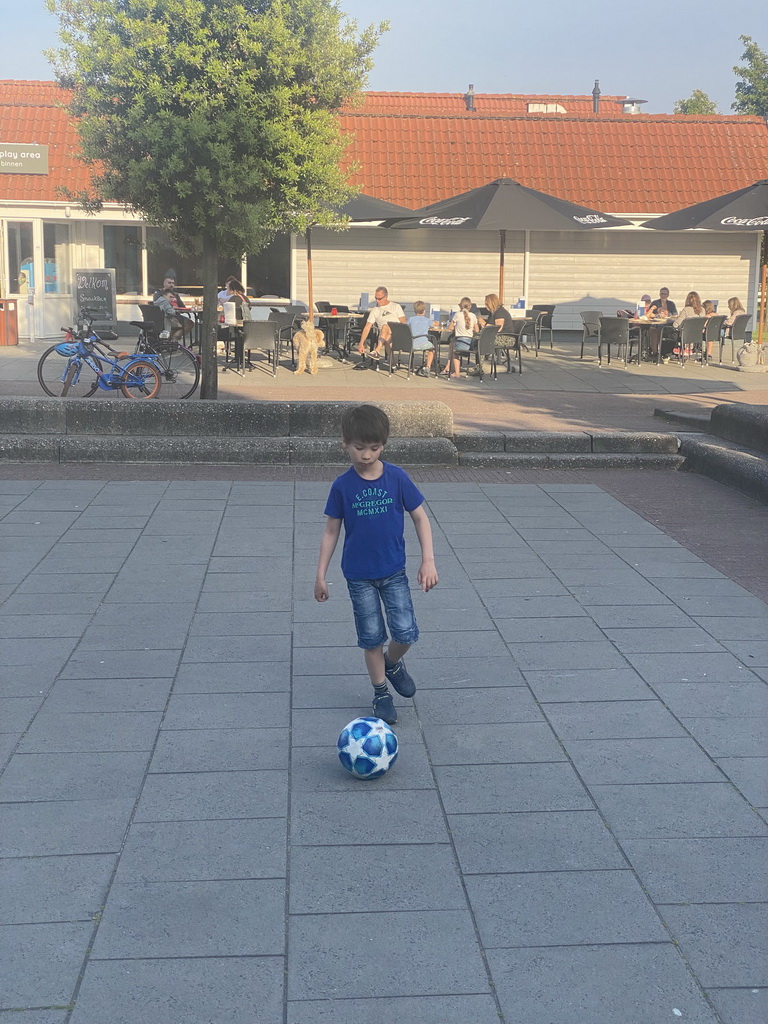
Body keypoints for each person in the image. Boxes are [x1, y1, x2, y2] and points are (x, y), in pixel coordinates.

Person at [314, 405, 438, 725]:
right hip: (358, 575)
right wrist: (320, 575)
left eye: (374, 448)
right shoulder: (342, 486)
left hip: (393, 570)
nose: (366, 455)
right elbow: (331, 531)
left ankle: (393, 664)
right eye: (359, 448)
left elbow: (420, 517)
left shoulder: (396, 477)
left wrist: (428, 561)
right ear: (344, 443)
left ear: (383, 445)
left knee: (406, 633)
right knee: (371, 637)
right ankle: (381, 691)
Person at [355, 286, 406, 370]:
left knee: (385, 326)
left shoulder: (396, 306)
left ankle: (377, 350)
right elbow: (367, 327)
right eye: (376, 298)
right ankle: (392, 363)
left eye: (379, 299)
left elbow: (403, 322)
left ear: (385, 297)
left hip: (396, 333)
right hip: (384, 335)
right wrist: (361, 343)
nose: (377, 301)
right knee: (385, 333)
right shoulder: (375, 310)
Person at [443, 297, 479, 378]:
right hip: (470, 343)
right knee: (452, 344)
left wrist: (457, 327)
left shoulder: (457, 315)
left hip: (461, 342)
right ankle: (448, 367)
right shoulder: (473, 316)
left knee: (454, 351)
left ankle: (456, 372)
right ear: (470, 307)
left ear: (460, 306)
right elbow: (477, 329)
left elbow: (450, 328)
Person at [407, 300, 436, 376]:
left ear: (414, 310)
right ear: (424, 311)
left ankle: (414, 366)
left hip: (412, 343)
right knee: (432, 348)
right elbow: (434, 324)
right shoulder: (427, 320)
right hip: (423, 343)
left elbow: (406, 326)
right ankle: (428, 366)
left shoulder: (410, 319)